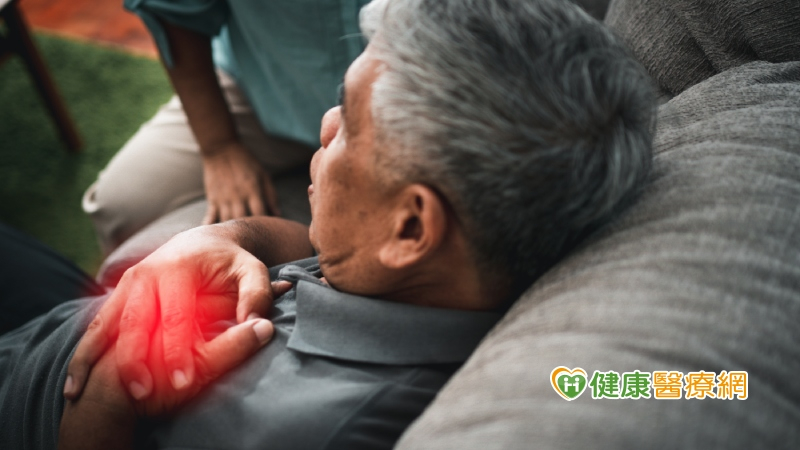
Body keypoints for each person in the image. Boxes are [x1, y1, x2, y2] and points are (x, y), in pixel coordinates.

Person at [0, 0, 656, 448]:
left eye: (348, 115)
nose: (324, 126)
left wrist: (116, 389)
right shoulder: (431, 279)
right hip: (55, 331)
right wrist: (232, 238)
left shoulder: (305, 427)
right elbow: (321, 260)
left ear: (410, 229)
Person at [82, 0, 371, 254]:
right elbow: (173, 9)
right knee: (118, 205)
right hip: (261, 90)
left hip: (400, 119)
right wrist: (219, 146)